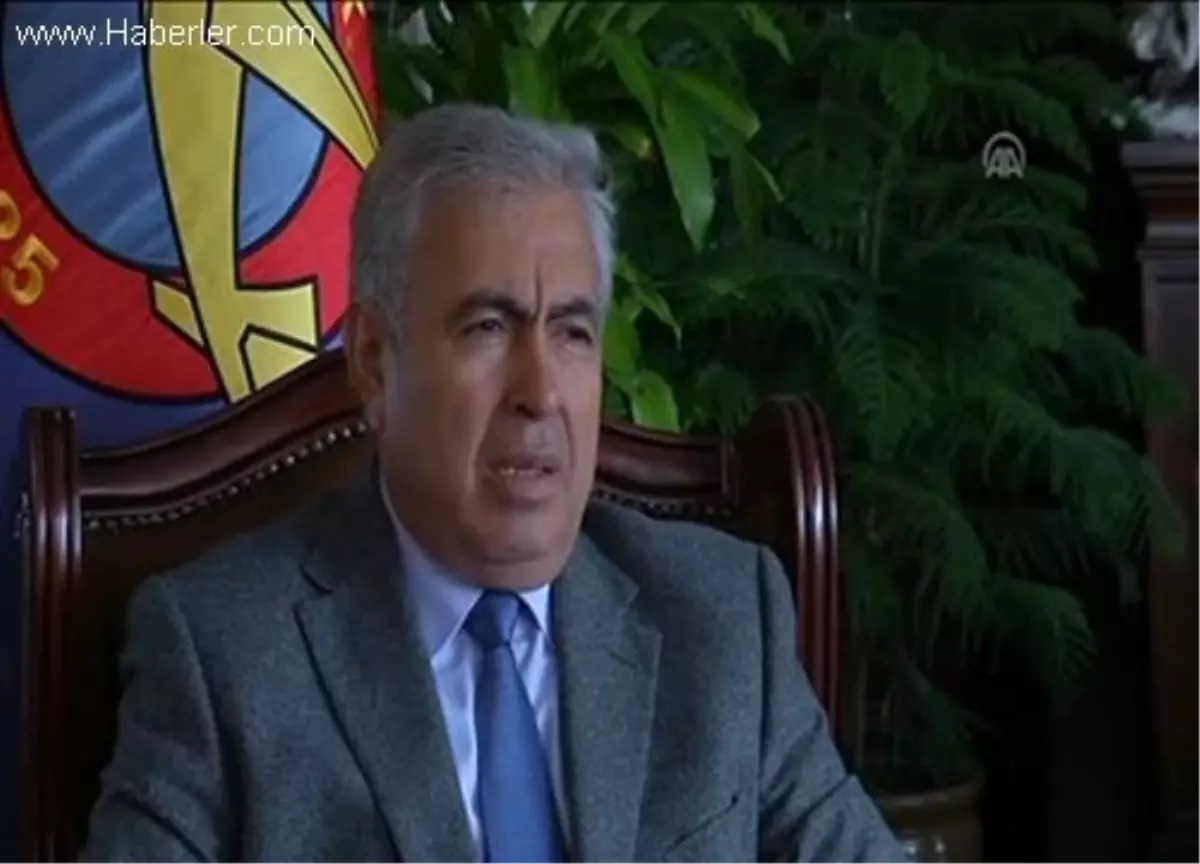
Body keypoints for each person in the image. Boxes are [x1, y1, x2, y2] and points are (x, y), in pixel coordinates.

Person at [80, 103, 907, 864]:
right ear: (374, 360)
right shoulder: (220, 653)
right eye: (488, 326)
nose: (541, 392)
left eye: (572, 333)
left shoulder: (721, 619)